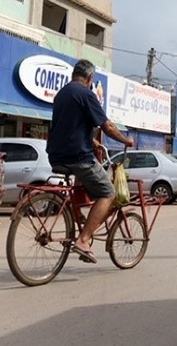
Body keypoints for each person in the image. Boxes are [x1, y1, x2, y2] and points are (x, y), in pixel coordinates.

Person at [46, 59, 134, 264]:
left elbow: (69, 126)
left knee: (80, 185)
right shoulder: (86, 94)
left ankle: (80, 221)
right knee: (108, 193)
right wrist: (126, 140)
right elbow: (108, 127)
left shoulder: (62, 94)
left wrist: (92, 141)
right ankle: (84, 240)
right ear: (90, 78)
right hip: (78, 157)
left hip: (56, 155)